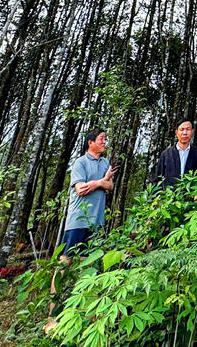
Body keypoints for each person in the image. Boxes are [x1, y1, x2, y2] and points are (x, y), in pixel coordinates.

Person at [46, 128, 115, 334]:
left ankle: (87, 314)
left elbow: (110, 186)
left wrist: (102, 183)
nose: (104, 142)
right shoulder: (80, 163)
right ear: (90, 142)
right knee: (64, 263)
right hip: (77, 221)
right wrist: (100, 182)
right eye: (101, 139)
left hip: (97, 221)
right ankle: (52, 316)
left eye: (105, 139)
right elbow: (80, 189)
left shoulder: (105, 163)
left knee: (91, 267)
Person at [152, 118, 197, 187]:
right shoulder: (166, 154)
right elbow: (157, 178)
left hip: (189, 195)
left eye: (188, 129)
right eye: (182, 129)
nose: (185, 133)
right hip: (169, 195)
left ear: (192, 131)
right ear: (176, 133)